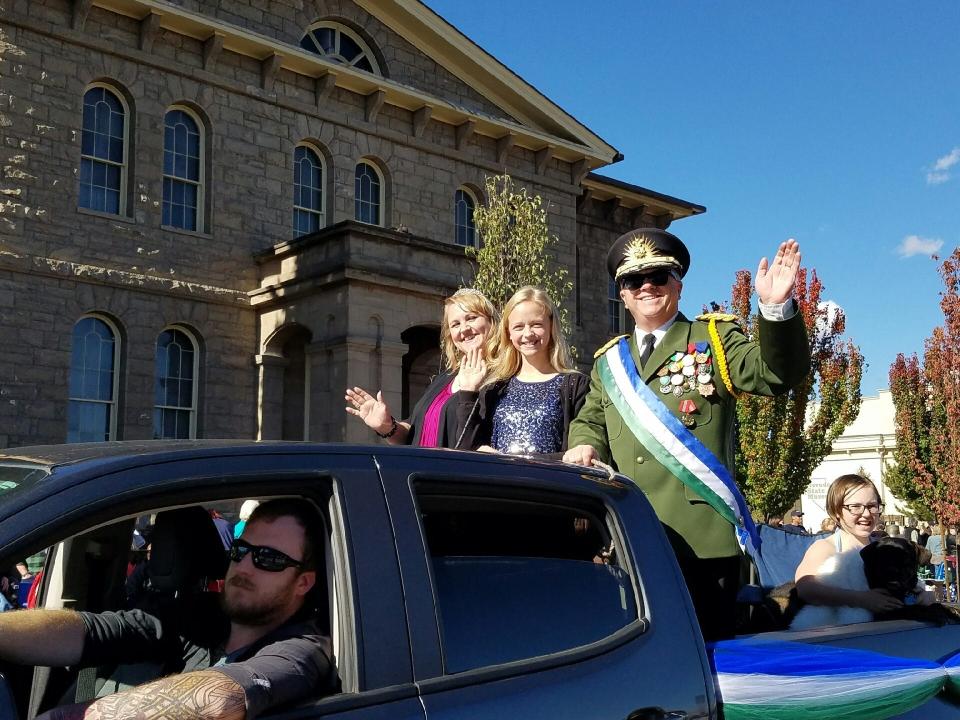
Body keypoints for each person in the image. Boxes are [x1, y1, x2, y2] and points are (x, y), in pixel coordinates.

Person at [564, 228, 810, 640]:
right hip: (630, 537)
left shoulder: (712, 338)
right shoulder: (609, 363)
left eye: (658, 277)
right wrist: (584, 444)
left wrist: (775, 308)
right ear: (622, 294)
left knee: (707, 656)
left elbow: (775, 374)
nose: (646, 287)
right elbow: (591, 418)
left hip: (702, 540)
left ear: (677, 284)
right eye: (632, 281)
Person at [0, 499, 336, 720]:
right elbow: (91, 631)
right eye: (241, 550)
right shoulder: (198, 616)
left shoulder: (303, 648)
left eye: (269, 558)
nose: (244, 566)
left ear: (303, 582)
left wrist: (63, 718)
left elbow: (222, 696)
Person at [345, 288, 499, 448]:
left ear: (491, 321)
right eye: (455, 324)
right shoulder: (445, 378)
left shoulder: (504, 378)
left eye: (472, 318)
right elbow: (413, 432)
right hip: (421, 471)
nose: (464, 329)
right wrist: (387, 427)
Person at [456, 286, 589, 456]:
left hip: (548, 481)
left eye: (536, 324)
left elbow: (577, 454)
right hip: (501, 481)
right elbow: (466, 450)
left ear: (551, 327)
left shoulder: (575, 386)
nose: (528, 334)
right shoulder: (494, 389)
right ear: (508, 333)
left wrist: (514, 462)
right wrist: (468, 394)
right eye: (518, 327)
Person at [794, 474, 903, 615]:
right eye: (855, 507)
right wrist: (862, 599)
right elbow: (806, 588)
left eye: (872, 506)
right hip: (838, 631)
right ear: (837, 511)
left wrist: (920, 594)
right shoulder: (825, 547)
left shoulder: (883, 548)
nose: (866, 514)